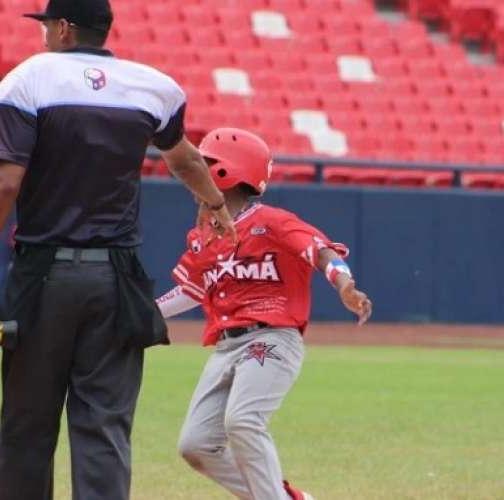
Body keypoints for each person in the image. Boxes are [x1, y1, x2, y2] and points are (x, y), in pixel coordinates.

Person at [0, 1, 236, 499]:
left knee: (27, 428)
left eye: (45, 27)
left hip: (44, 276)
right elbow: (184, 158)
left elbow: (3, 185)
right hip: (117, 281)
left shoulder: (26, 81)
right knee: (103, 427)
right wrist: (214, 204)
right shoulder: (154, 86)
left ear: (62, 28)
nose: (42, 36)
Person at [157, 127, 373, 500]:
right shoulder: (203, 234)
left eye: (203, 166)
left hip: (270, 339)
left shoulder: (270, 221)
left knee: (242, 421)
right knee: (196, 445)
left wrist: (344, 284)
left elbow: (320, 250)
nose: (192, 176)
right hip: (226, 346)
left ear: (226, 173)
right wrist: (146, 311)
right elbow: (192, 290)